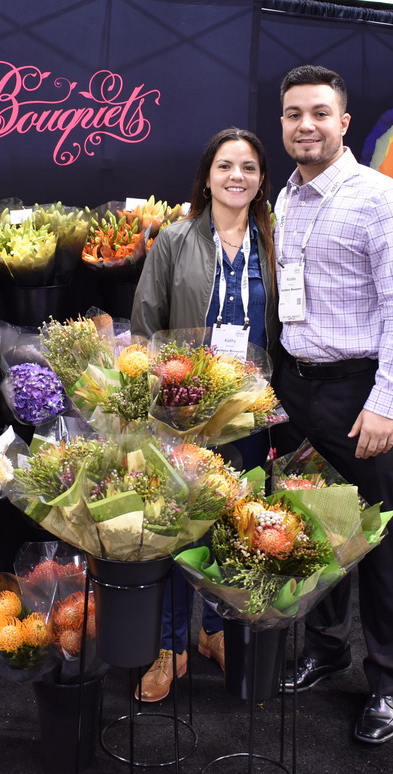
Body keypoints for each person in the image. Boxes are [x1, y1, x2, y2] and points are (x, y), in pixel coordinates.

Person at [271, 64, 393, 745]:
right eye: (293, 114)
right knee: (318, 527)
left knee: (382, 541)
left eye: (318, 113)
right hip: (296, 388)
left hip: (360, 392)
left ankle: (389, 680)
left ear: (343, 122)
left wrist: (388, 400)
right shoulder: (283, 199)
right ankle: (327, 647)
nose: (305, 125)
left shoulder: (380, 198)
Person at [129, 127, 278, 702]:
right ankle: (171, 647)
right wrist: (159, 400)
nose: (236, 176)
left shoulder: (275, 243)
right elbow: (146, 326)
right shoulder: (174, 239)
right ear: (207, 177)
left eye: (248, 167)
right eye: (225, 166)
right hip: (182, 412)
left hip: (248, 414)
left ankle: (215, 631)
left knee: (231, 523)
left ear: (261, 180)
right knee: (175, 528)